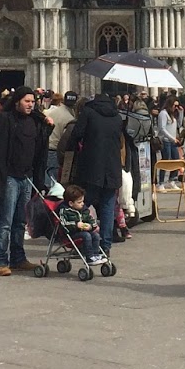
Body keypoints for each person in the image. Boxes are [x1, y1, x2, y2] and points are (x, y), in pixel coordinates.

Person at [0, 87, 50, 277]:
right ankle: (0, 260)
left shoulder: (35, 122)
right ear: (16, 102)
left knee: (21, 221)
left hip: (27, 177)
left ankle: (18, 258)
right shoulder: (5, 120)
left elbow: (40, 147)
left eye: (32, 101)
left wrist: (48, 126)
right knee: (6, 220)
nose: (30, 104)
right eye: (26, 101)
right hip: (10, 177)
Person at [69, 87, 125, 255]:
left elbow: (77, 134)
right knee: (108, 208)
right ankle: (105, 246)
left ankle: (79, 240)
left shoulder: (88, 112)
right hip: (113, 168)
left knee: (81, 203)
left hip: (92, 166)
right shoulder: (117, 116)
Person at [58, 183, 104, 261]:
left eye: (82, 201)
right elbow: (63, 224)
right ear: (71, 203)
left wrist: (91, 226)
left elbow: (91, 220)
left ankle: (95, 254)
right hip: (71, 234)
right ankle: (89, 256)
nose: (82, 204)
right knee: (87, 236)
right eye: (79, 202)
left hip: (82, 232)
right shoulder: (65, 211)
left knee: (95, 235)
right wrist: (76, 225)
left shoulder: (84, 210)